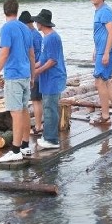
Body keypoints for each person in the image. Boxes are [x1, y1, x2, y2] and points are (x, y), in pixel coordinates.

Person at [0, 0, 35, 162]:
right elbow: (31, 54)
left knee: (16, 113)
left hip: (14, 75)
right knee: (23, 110)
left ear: (4, 11)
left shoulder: (6, 28)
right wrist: (33, 74)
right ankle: (25, 146)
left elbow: (5, 53)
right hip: (25, 74)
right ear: (17, 10)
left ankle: (15, 151)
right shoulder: (25, 28)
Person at [32, 9, 67, 149]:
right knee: (48, 107)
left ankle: (51, 139)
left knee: (50, 108)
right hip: (47, 79)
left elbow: (52, 61)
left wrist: (38, 72)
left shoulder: (52, 38)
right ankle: (48, 136)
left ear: (42, 23)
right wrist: (31, 69)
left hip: (54, 78)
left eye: (37, 21)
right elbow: (42, 59)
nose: (35, 23)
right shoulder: (45, 37)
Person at [18, 10, 44, 135]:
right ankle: (39, 124)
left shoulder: (30, 35)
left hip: (35, 70)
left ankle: (38, 126)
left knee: (35, 100)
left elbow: (32, 55)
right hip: (39, 69)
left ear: (28, 23)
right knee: (37, 99)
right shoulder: (37, 35)